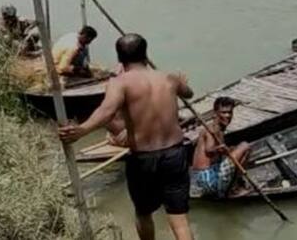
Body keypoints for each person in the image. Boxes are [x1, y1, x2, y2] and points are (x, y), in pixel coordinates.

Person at [58, 33, 195, 240]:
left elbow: (106, 111)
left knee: (143, 212)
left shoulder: (120, 83)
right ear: (146, 55)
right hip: (175, 154)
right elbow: (188, 93)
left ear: (120, 59)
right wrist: (181, 83)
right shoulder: (168, 78)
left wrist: (82, 130)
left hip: (144, 158)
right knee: (179, 219)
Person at [191, 96, 251, 198]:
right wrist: (221, 149)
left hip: (204, 178)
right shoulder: (213, 129)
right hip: (208, 179)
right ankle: (232, 189)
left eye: (230, 112)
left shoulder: (218, 129)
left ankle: (233, 185)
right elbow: (209, 150)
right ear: (215, 113)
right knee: (245, 146)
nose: (227, 116)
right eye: (224, 112)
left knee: (236, 149)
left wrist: (227, 150)